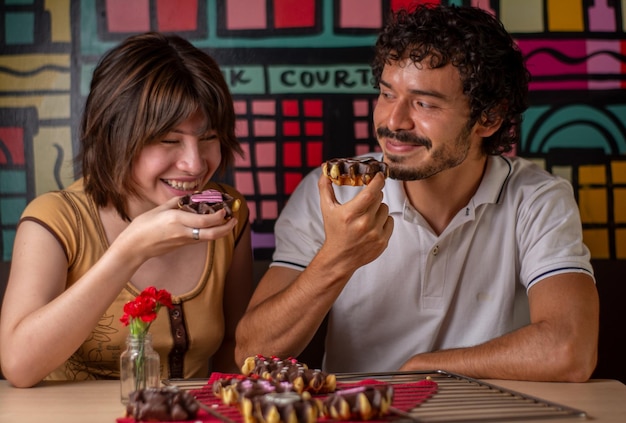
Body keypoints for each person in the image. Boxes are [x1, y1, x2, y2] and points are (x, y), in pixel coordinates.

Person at [235, 4, 599, 382]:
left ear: (488, 117)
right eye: (387, 94)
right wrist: (337, 258)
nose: (393, 121)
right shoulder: (330, 191)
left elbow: (570, 349)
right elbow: (250, 353)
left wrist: (424, 367)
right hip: (362, 414)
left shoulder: (537, 198)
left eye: (424, 103)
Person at [0, 32, 254, 388]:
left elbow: (235, 349)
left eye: (209, 137)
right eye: (169, 140)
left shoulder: (229, 214)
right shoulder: (55, 219)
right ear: (115, 135)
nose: (195, 164)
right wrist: (130, 250)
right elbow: (18, 366)